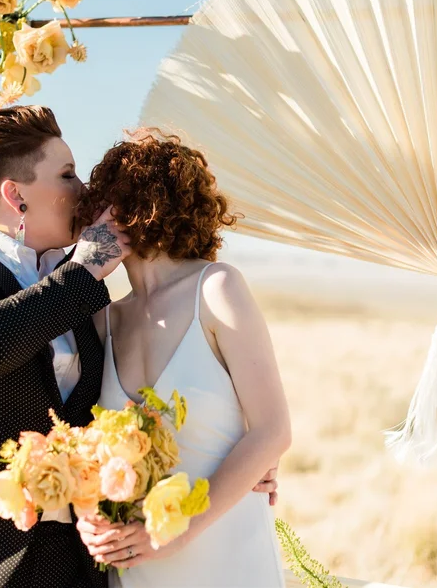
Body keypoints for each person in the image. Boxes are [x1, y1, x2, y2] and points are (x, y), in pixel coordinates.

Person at [0, 106, 278, 588]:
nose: (83, 191)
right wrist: (87, 266)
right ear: (15, 195)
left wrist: (238, 451)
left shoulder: (87, 296)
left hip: (79, 566)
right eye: (68, 175)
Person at [76, 128, 291, 588]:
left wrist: (176, 534)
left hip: (225, 556)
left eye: (102, 202)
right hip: (135, 565)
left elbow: (273, 430)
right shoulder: (103, 320)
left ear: (135, 206)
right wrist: (87, 515)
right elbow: (88, 449)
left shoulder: (217, 288)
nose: (87, 217)